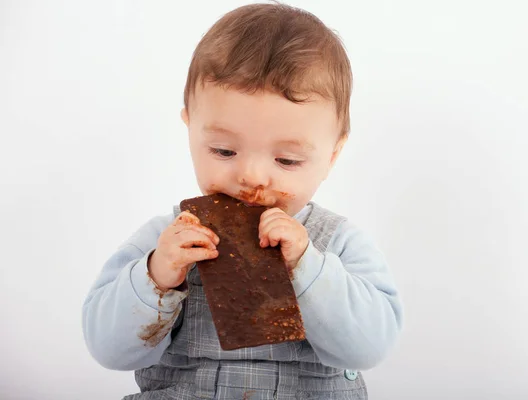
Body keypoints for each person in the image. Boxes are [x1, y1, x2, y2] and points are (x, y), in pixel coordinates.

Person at [82, 3, 402, 399]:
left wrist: (308, 266)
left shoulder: (338, 242)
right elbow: (108, 350)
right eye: (223, 151)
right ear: (190, 132)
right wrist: (157, 277)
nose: (251, 177)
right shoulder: (166, 239)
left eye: (286, 160)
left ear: (331, 157)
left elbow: (369, 347)